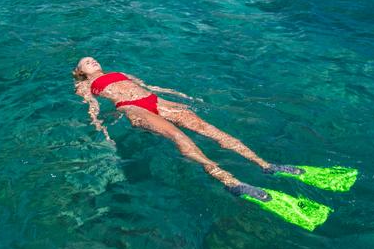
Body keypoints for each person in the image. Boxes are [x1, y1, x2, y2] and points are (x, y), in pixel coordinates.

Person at [72, 57, 302, 202]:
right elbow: (92, 108)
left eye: (93, 59)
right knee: (177, 136)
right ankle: (231, 182)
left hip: (156, 101)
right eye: (86, 62)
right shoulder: (84, 85)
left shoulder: (120, 72)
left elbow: (149, 87)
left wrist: (180, 95)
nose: (91, 61)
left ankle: (266, 165)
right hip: (133, 108)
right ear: (81, 71)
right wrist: (102, 131)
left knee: (211, 130)